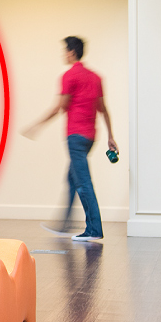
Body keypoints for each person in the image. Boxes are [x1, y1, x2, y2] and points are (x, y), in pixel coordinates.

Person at [23, 36, 117, 242]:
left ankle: (93, 229)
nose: (63, 54)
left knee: (83, 183)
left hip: (75, 136)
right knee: (73, 178)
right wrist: (111, 136)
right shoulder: (96, 78)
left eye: (65, 51)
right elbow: (103, 109)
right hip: (91, 137)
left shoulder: (69, 76)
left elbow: (60, 107)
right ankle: (64, 224)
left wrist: (36, 126)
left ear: (72, 52)